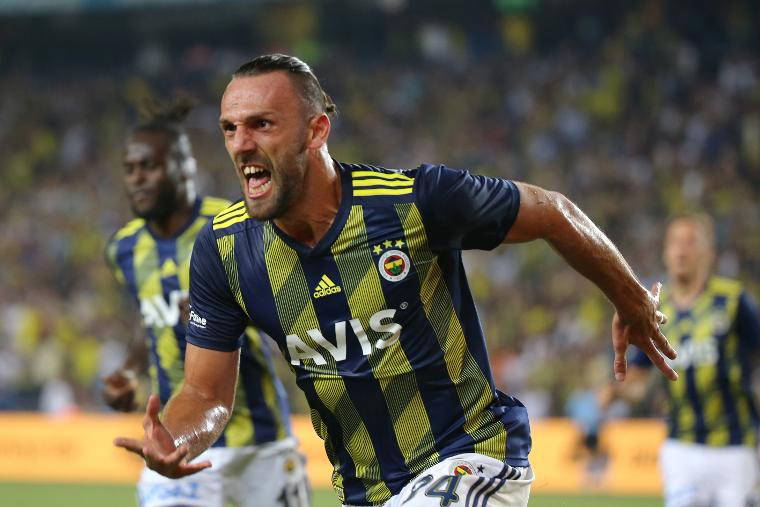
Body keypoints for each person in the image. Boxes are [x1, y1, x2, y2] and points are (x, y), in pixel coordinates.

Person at [115, 54, 676, 507]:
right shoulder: (224, 250)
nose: (241, 144)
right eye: (230, 129)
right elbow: (205, 393)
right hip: (365, 490)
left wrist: (630, 299)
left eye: (262, 124)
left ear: (316, 130)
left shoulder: (414, 202)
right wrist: (177, 437)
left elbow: (552, 211)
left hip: (470, 457)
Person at [105, 97, 310, 507]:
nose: (138, 178)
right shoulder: (123, 249)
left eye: (149, 166)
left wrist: (222, 309)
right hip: (177, 439)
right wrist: (128, 370)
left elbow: (291, 306)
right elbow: (152, 321)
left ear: (185, 167)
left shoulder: (236, 225)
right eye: (130, 169)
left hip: (258, 444)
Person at [604, 214, 760, 506]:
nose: (681, 250)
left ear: (709, 253)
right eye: (675, 242)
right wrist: (615, 392)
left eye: (690, 242)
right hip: (681, 447)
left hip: (735, 446)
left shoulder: (733, 301)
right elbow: (638, 382)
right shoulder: (655, 313)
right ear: (665, 252)